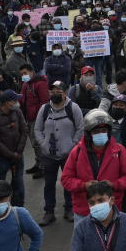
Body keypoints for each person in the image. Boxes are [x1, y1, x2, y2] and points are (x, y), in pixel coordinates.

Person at [34, 80, 84, 224]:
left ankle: (69, 209)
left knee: (68, 183)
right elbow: (37, 129)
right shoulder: (44, 109)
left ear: (65, 92)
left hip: (69, 154)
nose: (55, 93)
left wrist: (73, 145)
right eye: (53, 91)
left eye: (59, 91)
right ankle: (49, 212)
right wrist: (43, 144)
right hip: (48, 154)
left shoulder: (73, 108)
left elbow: (81, 128)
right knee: (49, 183)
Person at [0, 90, 27, 206]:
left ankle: (19, 208)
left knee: (18, 184)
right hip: (1, 159)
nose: (17, 102)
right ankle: (0, 209)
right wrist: (11, 154)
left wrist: (18, 151)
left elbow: (24, 131)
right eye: (14, 100)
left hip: (18, 156)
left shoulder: (17, 112)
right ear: (6, 103)